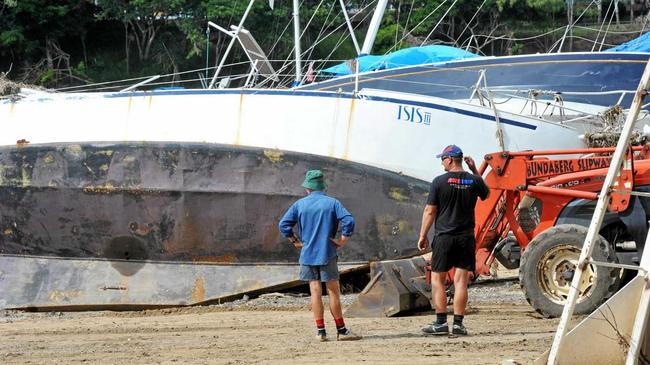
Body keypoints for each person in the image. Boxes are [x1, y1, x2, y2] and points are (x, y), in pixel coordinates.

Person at [278, 169, 362, 342]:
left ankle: (321, 332)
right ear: (322, 186)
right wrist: (342, 240)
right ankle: (342, 330)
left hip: (307, 254)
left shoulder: (299, 205)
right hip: (327, 253)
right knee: (333, 292)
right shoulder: (332, 203)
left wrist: (295, 240)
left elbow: (284, 224)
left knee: (315, 291)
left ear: (307, 188)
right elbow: (349, 220)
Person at [417, 145, 490, 336]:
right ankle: (458, 324)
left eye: (442, 159)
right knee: (461, 281)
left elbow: (430, 210)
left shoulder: (439, 182)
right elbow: (487, 194)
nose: (442, 162)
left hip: (444, 237)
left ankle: (441, 323)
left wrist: (423, 235)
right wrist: (474, 169)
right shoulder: (473, 180)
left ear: (449, 159)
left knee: (437, 279)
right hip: (466, 237)